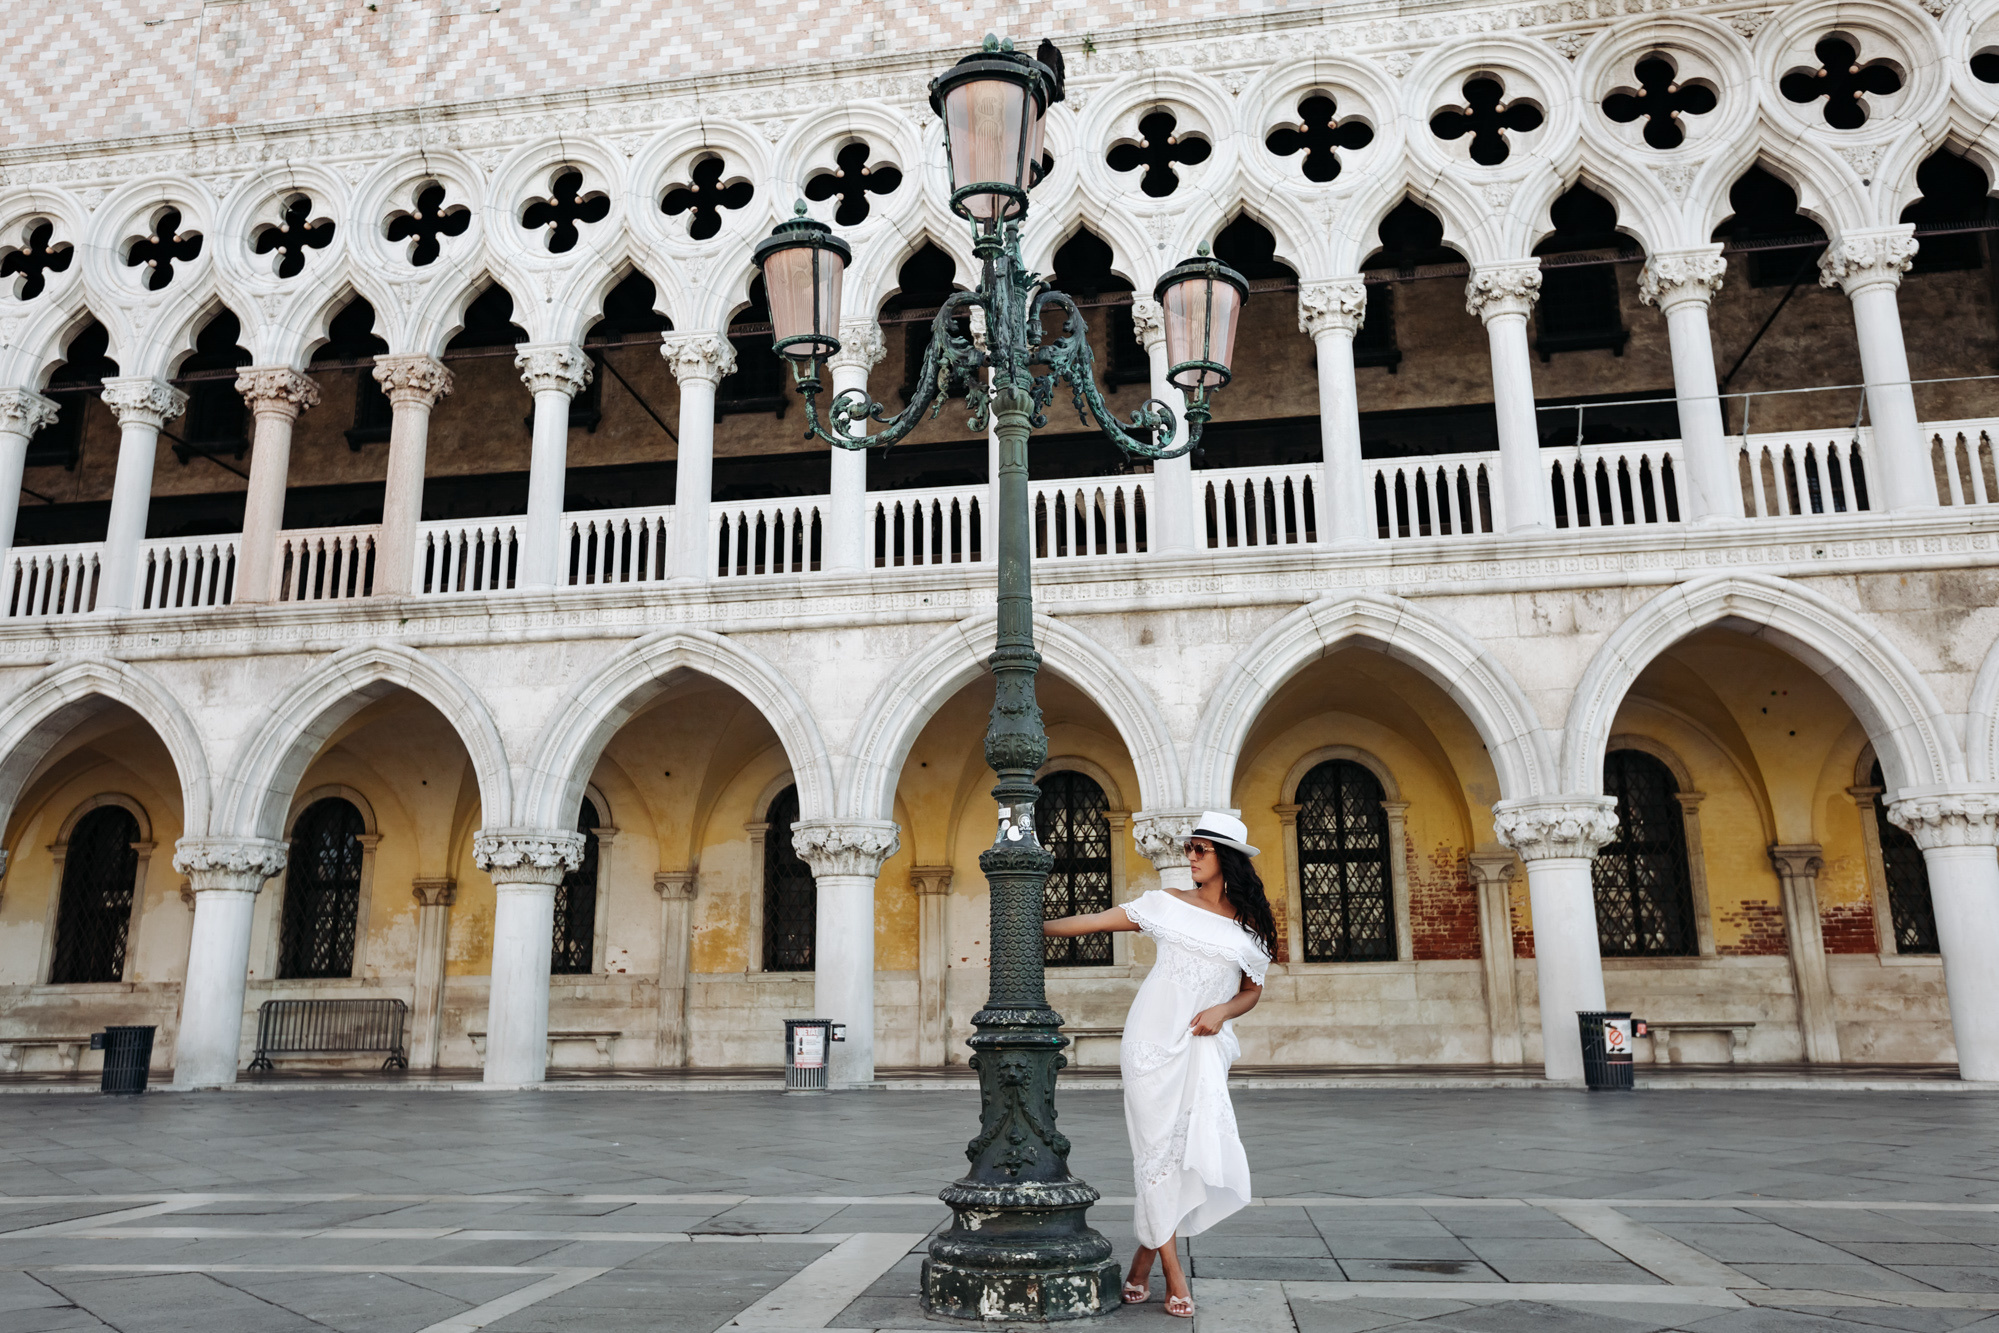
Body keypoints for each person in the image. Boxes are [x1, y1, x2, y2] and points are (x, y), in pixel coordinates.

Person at [1041, 810, 1276, 1318]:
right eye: (1188, 847)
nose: (1189, 856)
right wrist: (1028, 925)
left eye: (1200, 849)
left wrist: (1222, 1010)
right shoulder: (1165, 904)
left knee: (1183, 1152)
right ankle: (1175, 1275)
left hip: (1202, 1046)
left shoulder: (1250, 922)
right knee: (1154, 1155)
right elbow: (1090, 923)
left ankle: (1141, 1268)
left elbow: (1251, 992)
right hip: (1150, 1042)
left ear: (1225, 858)